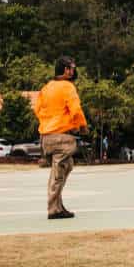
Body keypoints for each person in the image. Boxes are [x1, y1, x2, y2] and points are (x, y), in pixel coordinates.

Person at [34, 56, 88, 220]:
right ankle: (53, 209)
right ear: (66, 70)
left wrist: (47, 123)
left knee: (67, 166)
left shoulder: (46, 88)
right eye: (72, 68)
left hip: (46, 137)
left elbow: (37, 109)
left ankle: (58, 205)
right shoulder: (67, 87)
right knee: (58, 173)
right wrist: (82, 126)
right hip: (60, 137)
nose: (74, 71)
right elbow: (76, 109)